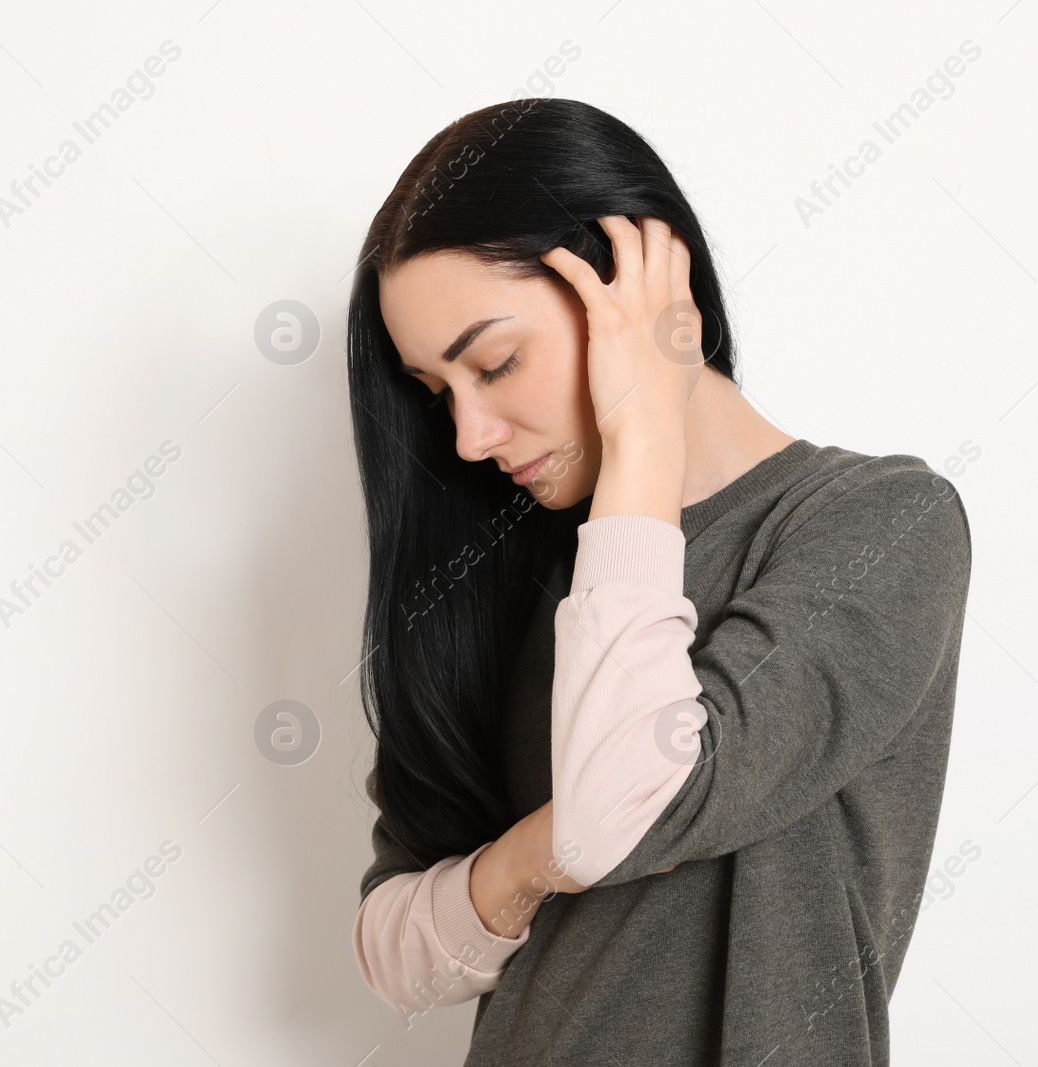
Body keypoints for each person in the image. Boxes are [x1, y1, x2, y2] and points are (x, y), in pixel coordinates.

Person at [345, 96, 973, 1065]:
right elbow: (393, 948)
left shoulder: (879, 524)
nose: (468, 436)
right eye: (438, 395)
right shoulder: (514, 570)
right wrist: (529, 860)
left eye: (497, 363)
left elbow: (619, 814)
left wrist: (644, 425)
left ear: (638, 290)